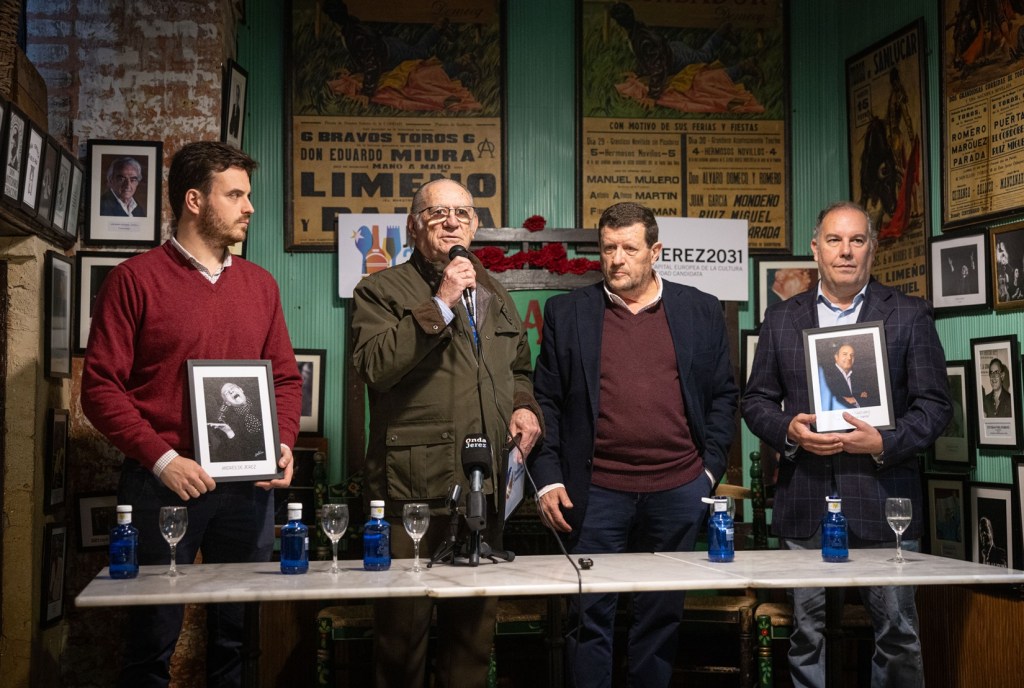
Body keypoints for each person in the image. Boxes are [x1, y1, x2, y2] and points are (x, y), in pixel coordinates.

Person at [81, 141, 302, 688]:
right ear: (195, 201)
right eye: (236, 195)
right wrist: (162, 460)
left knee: (239, 638)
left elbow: (284, 379)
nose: (249, 207)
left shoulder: (260, 285)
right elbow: (100, 390)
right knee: (152, 636)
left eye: (248, 195)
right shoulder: (135, 280)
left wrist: (282, 443)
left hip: (248, 487)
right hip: (162, 485)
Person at [742, 201, 952, 688]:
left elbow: (935, 407)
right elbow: (755, 401)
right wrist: (789, 431)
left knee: (898, 634)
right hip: (805, 501)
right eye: (834, 240)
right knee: (805, 636)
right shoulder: (781, 318)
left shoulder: (908, 315)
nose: (846, 251)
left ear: (872, 249)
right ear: (815, 249)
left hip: (885, 502)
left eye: (857, 240)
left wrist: (883, 442)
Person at [530, 201, 738, 687]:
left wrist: (707, 474)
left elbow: (724, 396)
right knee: (589, 616)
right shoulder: (568, 313)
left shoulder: (700, 309)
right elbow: (547, 402)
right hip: (595, 492)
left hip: (678, 489)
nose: (616, 259)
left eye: (628, 248)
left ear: (655, 251)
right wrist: (549, 479)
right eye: (608, 249)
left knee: (660, 617)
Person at [350, 177, 543, 688]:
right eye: (438, 214)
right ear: (414, 226)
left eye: (462, 213)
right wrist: (440, 301)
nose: (452, 222)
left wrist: (524, 407)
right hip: (412, 489)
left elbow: (518, 370)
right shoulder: (380, 290)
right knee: (401, 640)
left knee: (471, 642)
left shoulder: (495, 291)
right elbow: (374, 366)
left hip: (484, 483)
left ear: (475, 225)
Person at [206, 381, 267, 463]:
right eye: (226, 393)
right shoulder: (230, 422)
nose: (231, 391)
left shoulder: (263, 400)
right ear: (227, 403)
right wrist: (229, 432)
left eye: (232, 388)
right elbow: (239, 454)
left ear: (241, 389)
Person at [820, 342, 878, 409]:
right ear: (836, 357)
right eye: (845, 354)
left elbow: (872, 398)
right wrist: (859, 398)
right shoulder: (826, 376)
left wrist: (854, 400)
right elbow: (831, 400)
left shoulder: (859, 377)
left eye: (852, 355)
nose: (849, 358)